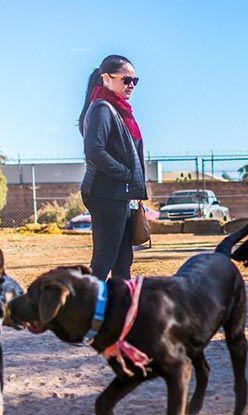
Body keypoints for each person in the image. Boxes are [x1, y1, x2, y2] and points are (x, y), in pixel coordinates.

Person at [78, 54, 146, 280]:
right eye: (126, 80)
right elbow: (94, 151)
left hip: (117, 194)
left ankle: (120, 311)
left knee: (123, 261)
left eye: (134, 81)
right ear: (106, 79)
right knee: (104, 260)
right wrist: (125, 174)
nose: (131, 86)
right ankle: (87, 311)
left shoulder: (118, 110)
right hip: (105, 193)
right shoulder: (102, 109)